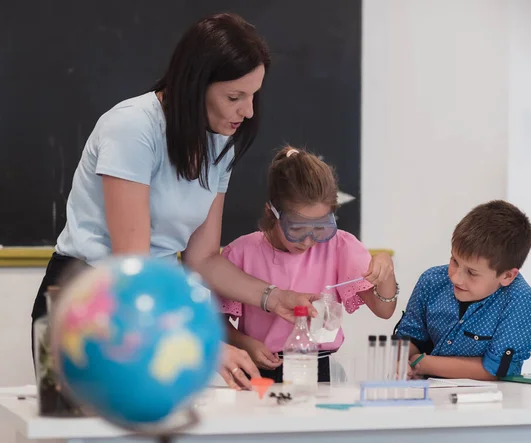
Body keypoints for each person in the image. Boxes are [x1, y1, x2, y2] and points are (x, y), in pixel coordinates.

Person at [30, 13, 317, 391]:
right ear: (195, 85)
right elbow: (132, 264)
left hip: (153, 301)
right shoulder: (132, 127)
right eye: (235, 96)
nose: (247, 111)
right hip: (88, 298)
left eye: (253, 95)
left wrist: (273, 297)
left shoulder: (219, 142)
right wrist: (204, 346)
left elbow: (203, 258)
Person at [217, 146, 398, 382]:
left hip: (320, 371)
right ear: (272, 213)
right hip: (258, 369)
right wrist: (245, 343)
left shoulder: (339, 246)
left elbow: (384, 310)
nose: (308, 241)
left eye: (320, 228)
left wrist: (386, 268)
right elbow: (215, 322)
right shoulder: (240, 253)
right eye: (297, 229)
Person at [394, 200, 531, 380]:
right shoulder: (431, 281)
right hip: (426, 398)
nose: (455, 277)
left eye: (472, 272)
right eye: (454, 261)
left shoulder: (519, 302)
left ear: (507, 276)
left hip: (489, 403)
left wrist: (422, 363)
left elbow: (495, 370)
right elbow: (411, 338)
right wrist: (400, 359)